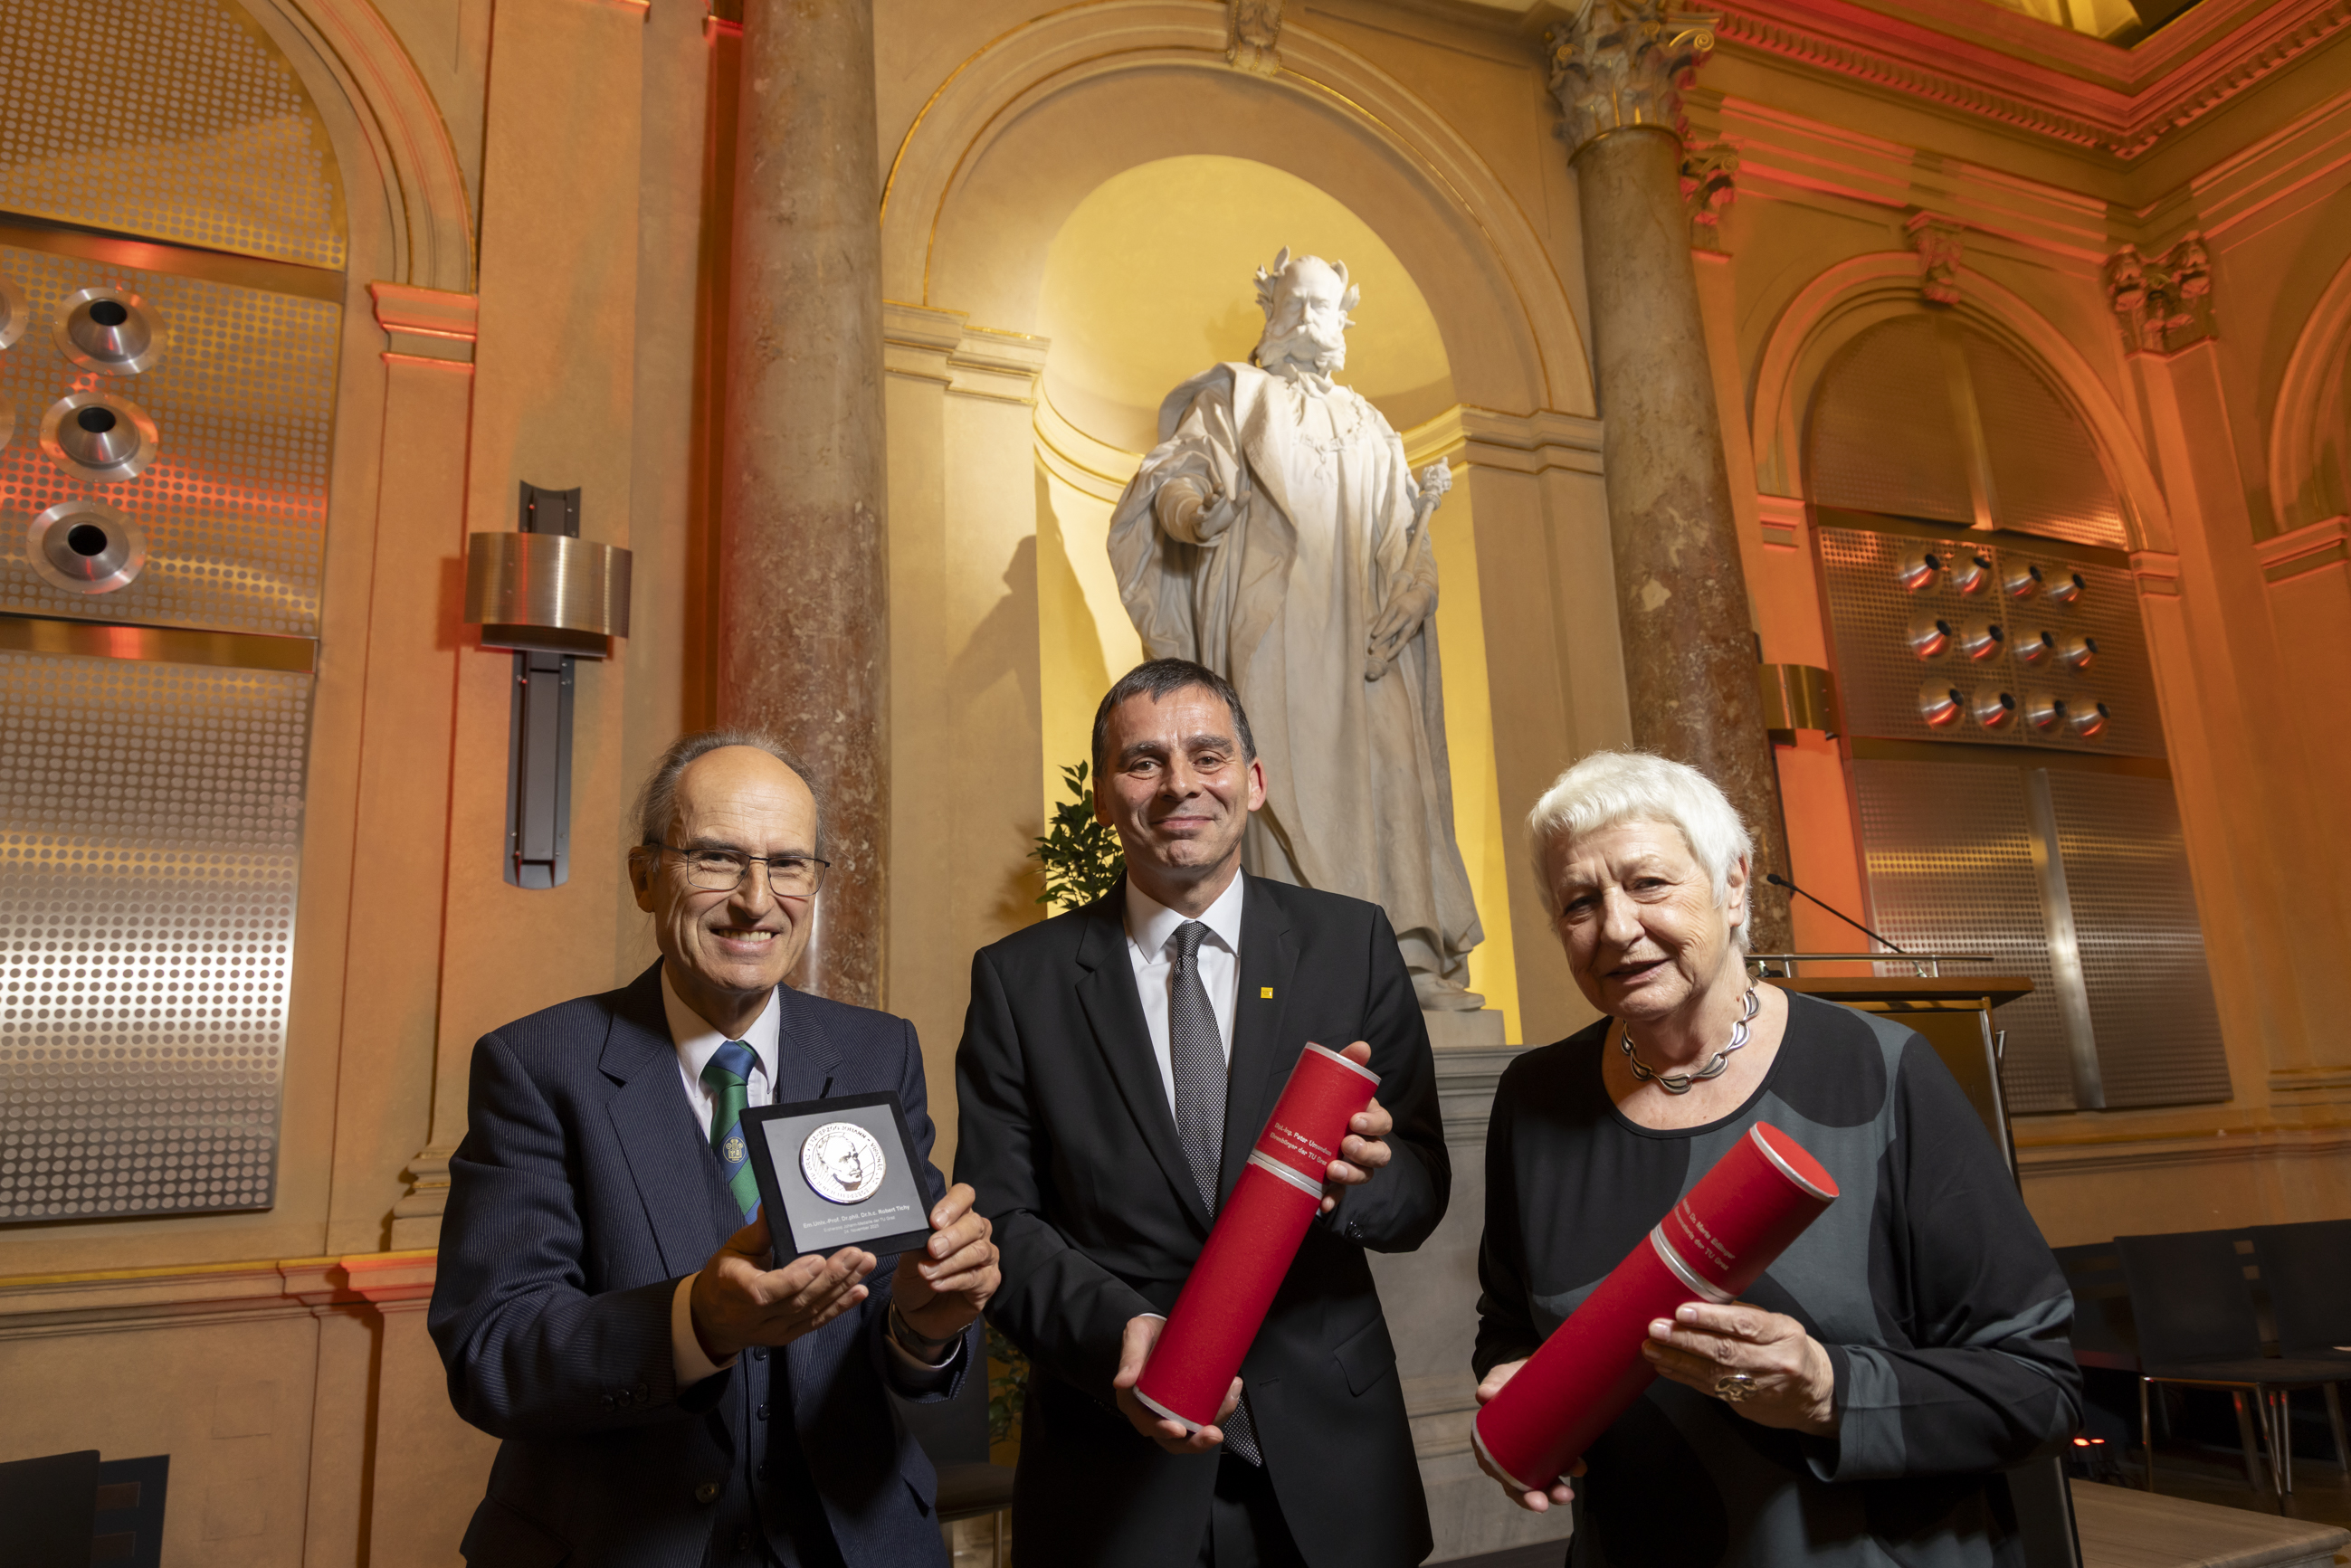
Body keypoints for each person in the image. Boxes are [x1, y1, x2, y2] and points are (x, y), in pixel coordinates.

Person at [1471, 751, 2081, 1567]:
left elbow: (2039, 1384)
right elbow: (1511, 1323)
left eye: (1649, 884)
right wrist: (1514, 1394)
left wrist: (1832, 1391)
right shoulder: (1535, 1096)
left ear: (1732, 884)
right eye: (1580, 902)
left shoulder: (1882, 1070)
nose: (1617, 927)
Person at [429, 732, 1000, 1568]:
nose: (756, 900)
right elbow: (495, 1351)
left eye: (789, 865)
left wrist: (927, 1324)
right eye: (717, 858)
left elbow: (897, 1326)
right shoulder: (537, 1066)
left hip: (857, 1541)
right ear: (645, 874)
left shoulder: (878, 1052)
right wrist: (694, 1322)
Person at [955, 659, 1449, 1568]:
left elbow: (1422, 1185)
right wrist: (1123, 1335)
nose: (1179, 782)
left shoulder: (1353, 942)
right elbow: (1003, 1223)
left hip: (1333, 1458)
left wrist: (1367, 1183)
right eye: (1143, 761)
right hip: (1114, 1462)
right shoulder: (1019, 980)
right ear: (1104, 797)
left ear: (1252, 782)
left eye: (1207, 754)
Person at [1106, 249, 1484, 1011]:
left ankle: (1405, 957)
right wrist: (1192, 510)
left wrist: (1416, 589)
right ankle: (1293, 964)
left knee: (1390, 787)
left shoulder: (1372, 424)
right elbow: (1177, 477)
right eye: (1299, 306)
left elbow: (1406, 534)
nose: (1312, 323)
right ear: (1274, 315)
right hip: (1268, 630)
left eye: (1325, 309)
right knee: (1270, 782)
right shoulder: (1240, 397)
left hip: (1368, 651)